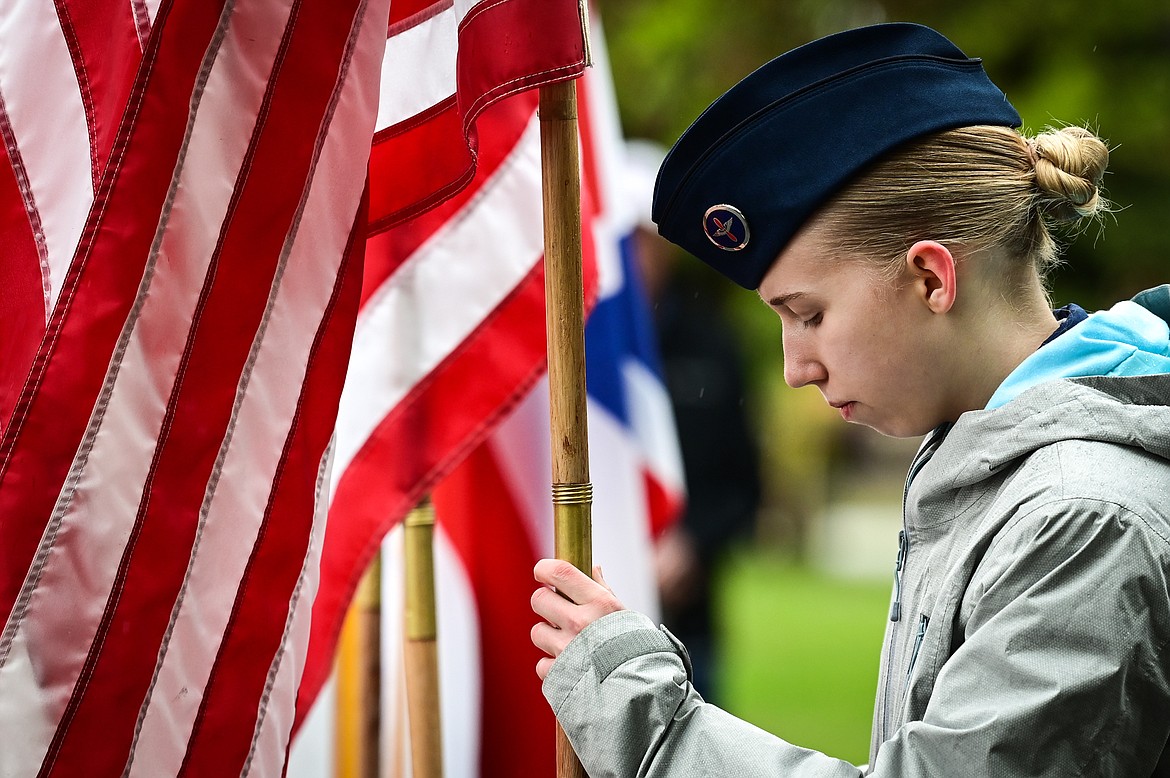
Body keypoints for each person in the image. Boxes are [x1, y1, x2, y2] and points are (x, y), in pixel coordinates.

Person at [528, 21, 1170, 776]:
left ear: (932, 277)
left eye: (809, 315)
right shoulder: (999, 461)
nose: (796, 367)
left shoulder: (1080, 516)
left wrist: (652, 724)